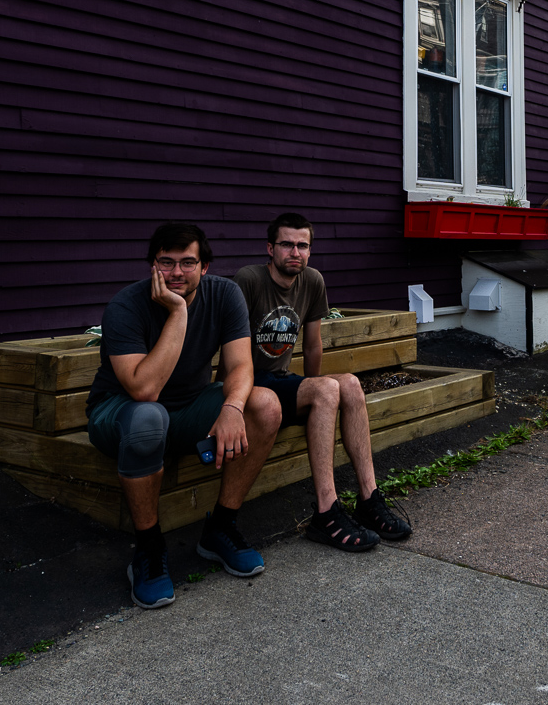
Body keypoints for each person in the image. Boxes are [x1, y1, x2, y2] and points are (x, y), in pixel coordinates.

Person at [87, 222, 283, 610]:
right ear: (152, 266)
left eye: (187, 263)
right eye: (166, 262)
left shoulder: (225, 294)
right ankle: (148, 549)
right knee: (148, 418)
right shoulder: (126, 305)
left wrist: (231, 407)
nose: (176, 272)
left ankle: (221, 528)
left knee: (265, 404)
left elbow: (241, 366)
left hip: (189, 406)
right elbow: (144, 390)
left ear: (204, 266)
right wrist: (178, 313)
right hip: (120, 411)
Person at [233, 212, 411, 551]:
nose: (295, 252)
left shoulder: (312, 281)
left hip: (282, 380)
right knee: (327, 389)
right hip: (249, 385)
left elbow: (313, 344)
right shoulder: (250, 280)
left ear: (310, 251)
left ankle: (369, 498)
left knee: (349, 384)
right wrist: (317, 393)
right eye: (286, 244)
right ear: (270, 248)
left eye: (303, 245)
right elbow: (233, 346)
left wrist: (316, 397)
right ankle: (326, 513)